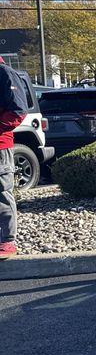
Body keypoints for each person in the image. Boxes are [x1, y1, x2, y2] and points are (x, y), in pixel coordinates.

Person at [0, 57, 28, 259]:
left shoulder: (5, 73)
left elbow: (18, 110)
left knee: (2, 193)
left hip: (0, 146)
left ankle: (7, 240)